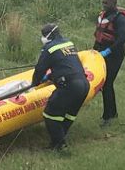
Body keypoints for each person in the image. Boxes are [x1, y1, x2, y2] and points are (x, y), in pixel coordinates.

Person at [31, 23, 89, 151]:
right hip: (84, 84)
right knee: (69, 114)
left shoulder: (49, 48)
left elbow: (40, 68)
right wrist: (53, 76)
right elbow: (67, 65)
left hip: (70, 86)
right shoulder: (69, 44)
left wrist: (35, 83)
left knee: (50, 114)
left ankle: (58, 145)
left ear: (50, 35)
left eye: (43, 35)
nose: (43, 38)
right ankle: (61, 139)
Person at [93, 0, 125, 126]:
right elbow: (100, 35)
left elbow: (121, 39)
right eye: (103, 2)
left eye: (106, 3)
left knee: (107, 84)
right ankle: (113, 113)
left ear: (114, 4)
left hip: (115, 54)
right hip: (102, 51)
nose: (104, 5)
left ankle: (107, 117)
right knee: (106, 85)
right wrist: (95, 51)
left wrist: (108, 51)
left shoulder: (120, 18)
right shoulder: (103, 16)